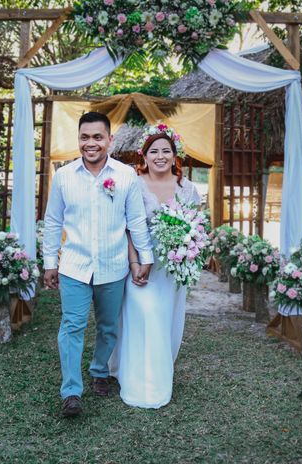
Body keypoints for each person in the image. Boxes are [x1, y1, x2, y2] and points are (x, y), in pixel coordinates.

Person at [42, 112, 154, 417]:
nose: (90, 143)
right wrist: (50, 261)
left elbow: (136, 221)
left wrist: (145, 258)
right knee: (72, 325)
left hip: (114, 265)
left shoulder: (125, 175)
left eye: (97, 137)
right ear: (78, 139)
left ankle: (99, 369)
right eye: (84, 137)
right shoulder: (64, 176)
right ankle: (71, 391)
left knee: (107, 327)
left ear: (109, 140)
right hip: (74, 266)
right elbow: (53, 221)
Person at [110, 124, 201, 409]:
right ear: (144, 156)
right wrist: (135, 261)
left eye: (166, 151)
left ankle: (161, 368)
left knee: (165, 319)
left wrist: (189, 251)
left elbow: (197, 226)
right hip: (138, 260)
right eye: (154, 151)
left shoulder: (188, 189)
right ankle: (142, 382)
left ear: (175, 156)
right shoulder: (134, 184)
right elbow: (125, 227)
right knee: (143, 314)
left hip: (172, 266)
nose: (160, 156)